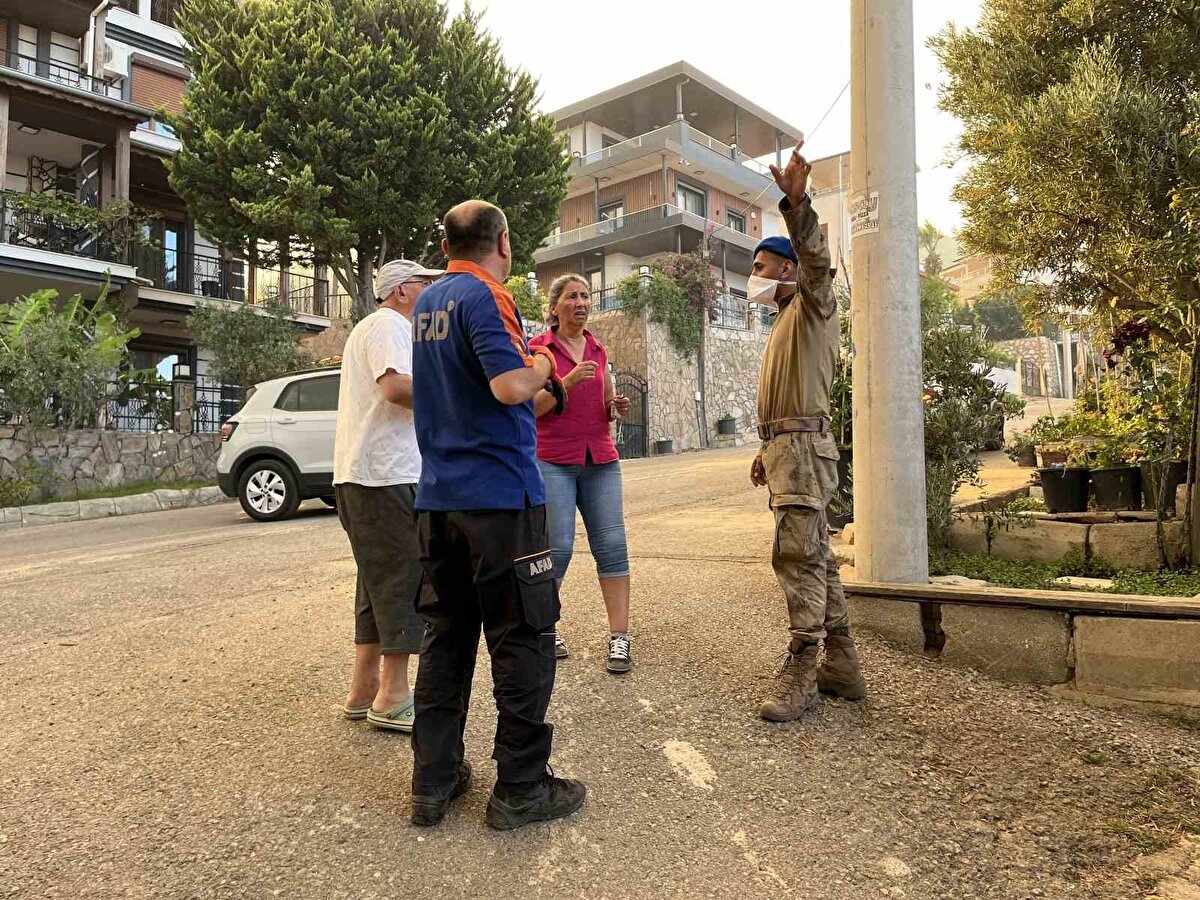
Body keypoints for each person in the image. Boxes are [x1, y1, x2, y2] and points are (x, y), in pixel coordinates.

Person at [409, 199, 586, 830]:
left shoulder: (427, 303)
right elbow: (510, 387)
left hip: (438, 500)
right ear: (504, 243)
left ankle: (432, 782)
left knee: (446, 637)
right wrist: (545, 363)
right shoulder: (488, 296)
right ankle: (520, 787)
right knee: (522, 641)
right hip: (502, 499)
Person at [749, 141, 867, 722]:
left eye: (762, 266)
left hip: (801, 448)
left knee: (796, 557)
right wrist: (762, 450)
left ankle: (803, 670)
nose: (755, 276)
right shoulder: (785, 320)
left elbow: (819, 261)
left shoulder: (814, 300)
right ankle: (841, 665)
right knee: (815, 554)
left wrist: (797, 206)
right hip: (785, 448)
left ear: (789, 267)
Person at [333, 258, 443, 733]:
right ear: (401, 291)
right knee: (404, 577)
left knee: (375, 581)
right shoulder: (390, 325)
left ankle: (364, 688)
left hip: (367, 475)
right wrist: (453, 392)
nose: (431, 293)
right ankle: (394, 695)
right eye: (425, 285)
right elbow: (396, 387)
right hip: (384, 476)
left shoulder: (373, 328)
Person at [528, 275, 633, 673]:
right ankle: (546, 629)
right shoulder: (539, 350)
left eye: (585, 295)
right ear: (555, 307)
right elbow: (529, 408)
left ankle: (619, 638)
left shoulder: (598, 347)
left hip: (600, 460)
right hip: (553, 459)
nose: (581, 302)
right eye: (572, 296)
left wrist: (614, 407)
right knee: (557, 548)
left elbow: (606, 403)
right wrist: (566, 383)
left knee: (612, 547)